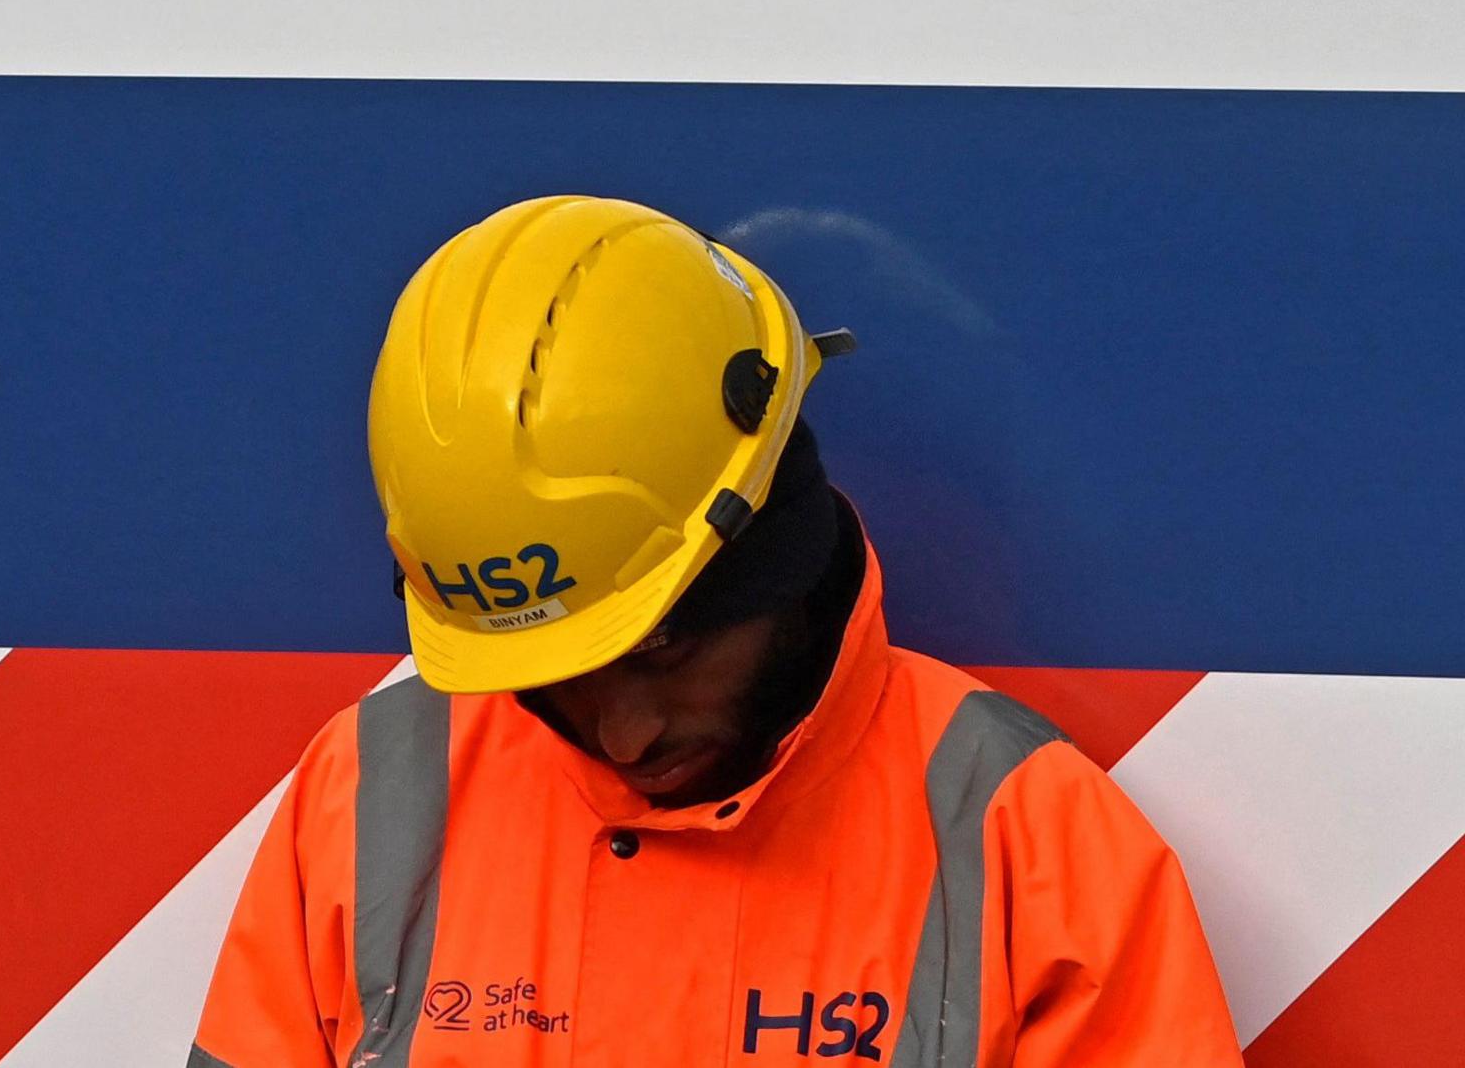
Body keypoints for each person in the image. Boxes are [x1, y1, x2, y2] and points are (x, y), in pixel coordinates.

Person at [189, 195, 1243, 1068]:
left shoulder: (1026, 838)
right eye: (559, 674)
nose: (624, 737)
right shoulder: (366, 801)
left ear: (775, 541)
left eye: (663, 648)